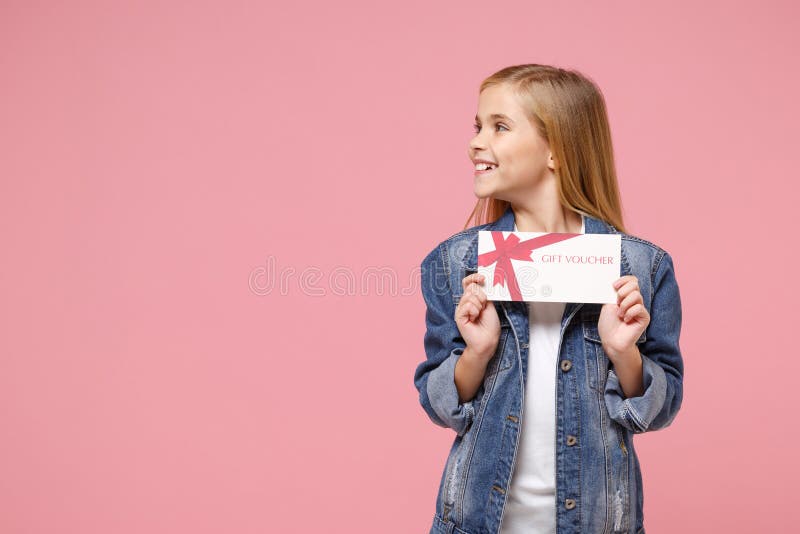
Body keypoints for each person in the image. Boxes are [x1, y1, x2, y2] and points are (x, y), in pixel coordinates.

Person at [413, 64, 684, 534]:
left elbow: (659, 410)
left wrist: (625, 353)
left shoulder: (640, 268)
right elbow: (440, 406)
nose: (476, 142)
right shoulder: (455, 263)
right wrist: (476, 352)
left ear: (556, 148)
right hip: (477, 523)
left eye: (499, 126)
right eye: (477, 126)